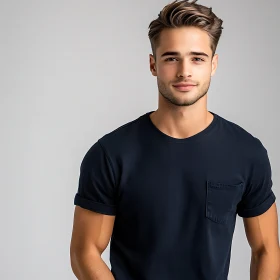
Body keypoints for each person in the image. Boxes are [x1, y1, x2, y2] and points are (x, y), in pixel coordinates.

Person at [70, 0, 280, 279]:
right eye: (171, 58)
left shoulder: (246, 152)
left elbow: (266, 248)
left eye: (197, 58)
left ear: (213, 64)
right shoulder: (111, 154)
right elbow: (85, 251)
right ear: (153, 64)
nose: (184, 71)